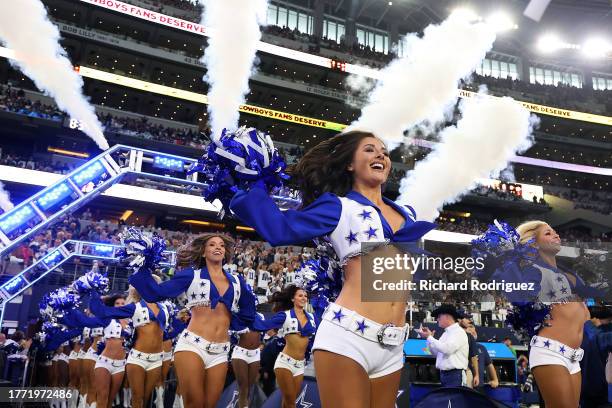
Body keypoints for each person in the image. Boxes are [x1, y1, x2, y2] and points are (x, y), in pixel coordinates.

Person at [230, 131, 436, 407]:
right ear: (350, 164)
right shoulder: (339, 206)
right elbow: (280, 229)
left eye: (385, 152)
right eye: (369, 150)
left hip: (393, 344)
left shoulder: (407, 214)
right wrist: (253, 185)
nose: (381, 155)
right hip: (348, 337)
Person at [127, 233, 257, 408]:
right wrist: (142, 266)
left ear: (225, 253)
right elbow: (156, 293)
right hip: (192, 346)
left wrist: (233, 323)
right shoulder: (191, 275)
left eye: (221, 245)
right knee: (194, 403)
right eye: (212, 245)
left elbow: (249, 310)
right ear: (203, 252)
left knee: (209, 405)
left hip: (220, 351)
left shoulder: (237, 282)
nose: (218, 247)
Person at [88, 283, 168, 408]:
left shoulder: (165, 308)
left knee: (145, 399)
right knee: (137, 399)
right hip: (137, 358)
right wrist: (94, 291)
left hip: (157, 359)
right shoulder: (134, 308)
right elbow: (101, 311)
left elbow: (166, 334)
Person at [252, 285, 317, 408]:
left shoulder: (312, 318)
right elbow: (263, 325)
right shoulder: (285, 315)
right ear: (293, 299)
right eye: (300, 295)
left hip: (300, 365)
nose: (304, 298)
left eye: (305, 296)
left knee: (288, 403)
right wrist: (246, 315)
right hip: (285, 363)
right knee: (292, 403)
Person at [90, 294, 130, 408]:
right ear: (113, 305)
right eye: (117, 303)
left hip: (120, 365)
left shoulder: (132, 321)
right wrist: (102, 298)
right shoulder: (108, 318)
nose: (120, 305)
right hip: (104, 362)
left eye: (123, 303)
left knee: (110, 401)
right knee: (102, 398)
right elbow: (95, 309)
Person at [416, 304, 468, 387]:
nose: (437, 319)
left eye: (439, 316)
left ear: (447, 316)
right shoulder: (446, 333)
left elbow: (447, 349)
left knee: (454, 399)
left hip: (455, 375)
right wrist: (429, 338)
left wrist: (429, 337)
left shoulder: (458, 332)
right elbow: (436, 353)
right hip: (445, 375)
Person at [579, 304, 612, 407]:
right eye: (610, 320)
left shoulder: (577, 336)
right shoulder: (602, 337)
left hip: (582, 391)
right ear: (596, 319)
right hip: (600, 392)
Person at [465, 322, 499, 393]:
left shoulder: (481, 347)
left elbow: (490, 365)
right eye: (469, 327)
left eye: (473, 327)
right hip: (465, 386)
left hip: (479, 387)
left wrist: (495, 380)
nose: (472, 330)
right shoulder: (461, 347)